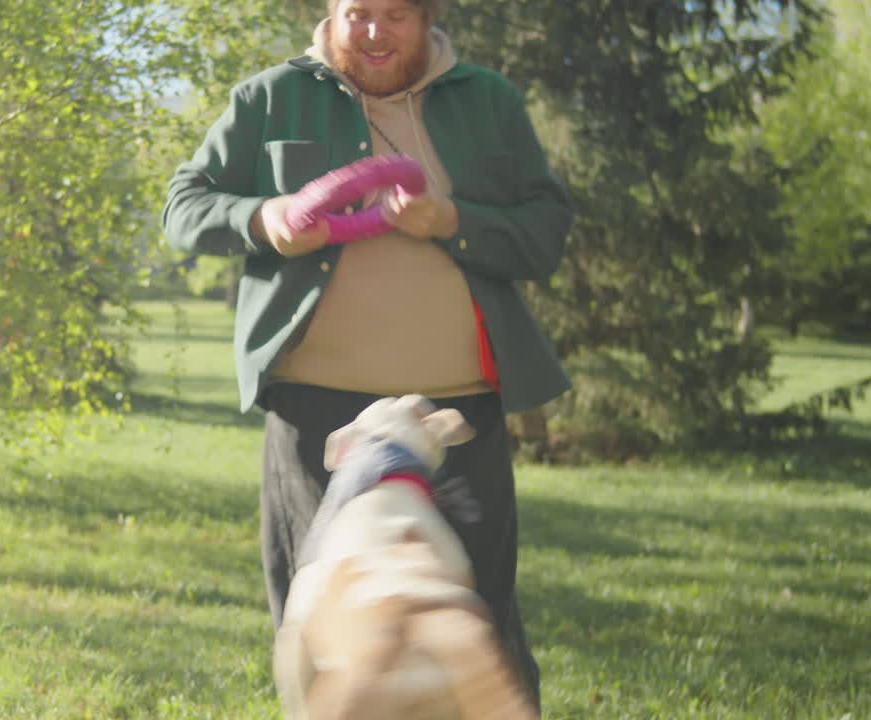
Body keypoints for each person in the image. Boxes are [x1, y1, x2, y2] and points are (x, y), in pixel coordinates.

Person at [162, 0, 571, 711]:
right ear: (331, 14)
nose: (375, 32)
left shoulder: (489, 101)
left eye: (395, 15)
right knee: (320, 625)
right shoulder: (269, 97)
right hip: (314, 411)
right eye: (359, 14)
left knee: (477, 618)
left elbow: (545, 233)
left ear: (427, 17)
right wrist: (264, 218)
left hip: (454, 418)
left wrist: (451, 220)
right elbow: (184, 206)